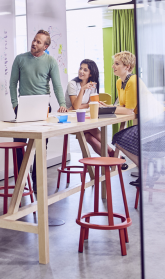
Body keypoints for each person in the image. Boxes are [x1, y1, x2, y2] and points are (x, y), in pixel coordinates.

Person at [9, 30, 68, 190]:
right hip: (22, 107)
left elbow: (56, 85)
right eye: (34, 40)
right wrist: (15, 104)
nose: (34, 43)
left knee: (41, 146)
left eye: (39, 42)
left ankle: (37, 182)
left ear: (46, 46)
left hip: (43, 107)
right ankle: (21, 181)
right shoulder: (20, 59)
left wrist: (62, 103)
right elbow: (13, 83)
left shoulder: (50, 61)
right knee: (19, 144)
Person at [103, 51, 140, 185]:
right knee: (118, 138)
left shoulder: (133, 80)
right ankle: (143, 166)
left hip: (152, 123)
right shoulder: (120, 82)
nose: (113, 66)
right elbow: (122, 106)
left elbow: (128, 111)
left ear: (128, 67)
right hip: (141, 122)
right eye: (114, 63)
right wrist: (109, 107)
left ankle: (143, 166)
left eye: (117, 64)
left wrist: (108, 108)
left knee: (118, 139)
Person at [65, 59, 114, 157]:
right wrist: (83, 90)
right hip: (71, 120)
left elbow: (89, 104)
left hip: (83, 118)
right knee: (94, 130)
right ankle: (113, 154)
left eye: (85, 70)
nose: (81, 71)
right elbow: (77, 106)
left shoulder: (92, 85)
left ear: (91, 74)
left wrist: (79, 106)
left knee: (89, 137)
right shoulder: (72, 84)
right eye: (80, 68)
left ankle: (108, 159)